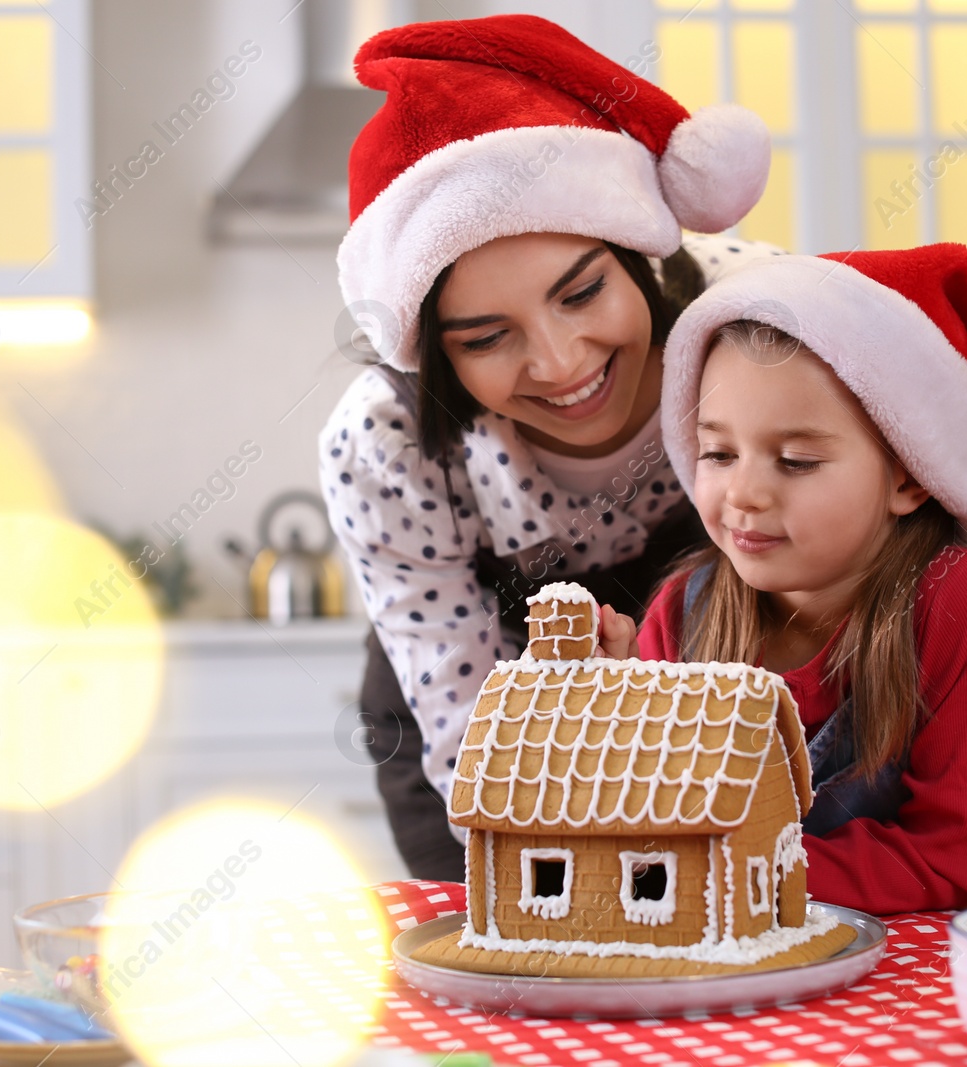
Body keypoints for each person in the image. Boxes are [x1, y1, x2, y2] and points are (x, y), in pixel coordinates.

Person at [320, 14, 779, 879]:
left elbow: (862, 592)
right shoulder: (383, 441)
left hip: (734, 680)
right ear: (436, 353)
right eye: (487, 338)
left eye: (582, 293)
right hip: (477, 720)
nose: (562, 365)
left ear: (634, 250)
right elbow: (465, 730)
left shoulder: (755, 322)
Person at [595, 246, 967, 912]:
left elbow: (945, 858)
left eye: (797, 460)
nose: (743, 493)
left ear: (909, 473)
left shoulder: (963, 604)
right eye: (718, 452)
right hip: (755, 958)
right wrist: (608, 715)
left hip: (934, 964)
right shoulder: (682, 615)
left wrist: (731, 873)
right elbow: (647, 826)